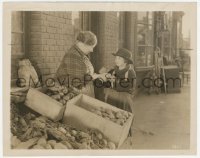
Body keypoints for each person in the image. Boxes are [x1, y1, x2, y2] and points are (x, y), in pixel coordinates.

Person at [56, 31, 100, 97]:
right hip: (70, 94)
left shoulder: (81, 54)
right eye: (91, 47)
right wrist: (96, 76)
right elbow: (76, 81)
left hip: (81, 93)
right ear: (83, 44)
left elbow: (84, 74)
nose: (92, 50)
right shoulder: (73, 55)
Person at [104, 48, 136, 113]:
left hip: (123, 100)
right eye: (115, 58)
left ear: (126, 61)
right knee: (111, 115)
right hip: (112, 99)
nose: (116, 60)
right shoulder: (113, 70)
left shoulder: (130, 72)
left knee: (123, 117)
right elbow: (107, 83)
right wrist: (106, 78)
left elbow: (130, 87)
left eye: (119, 58)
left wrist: (114, 81)